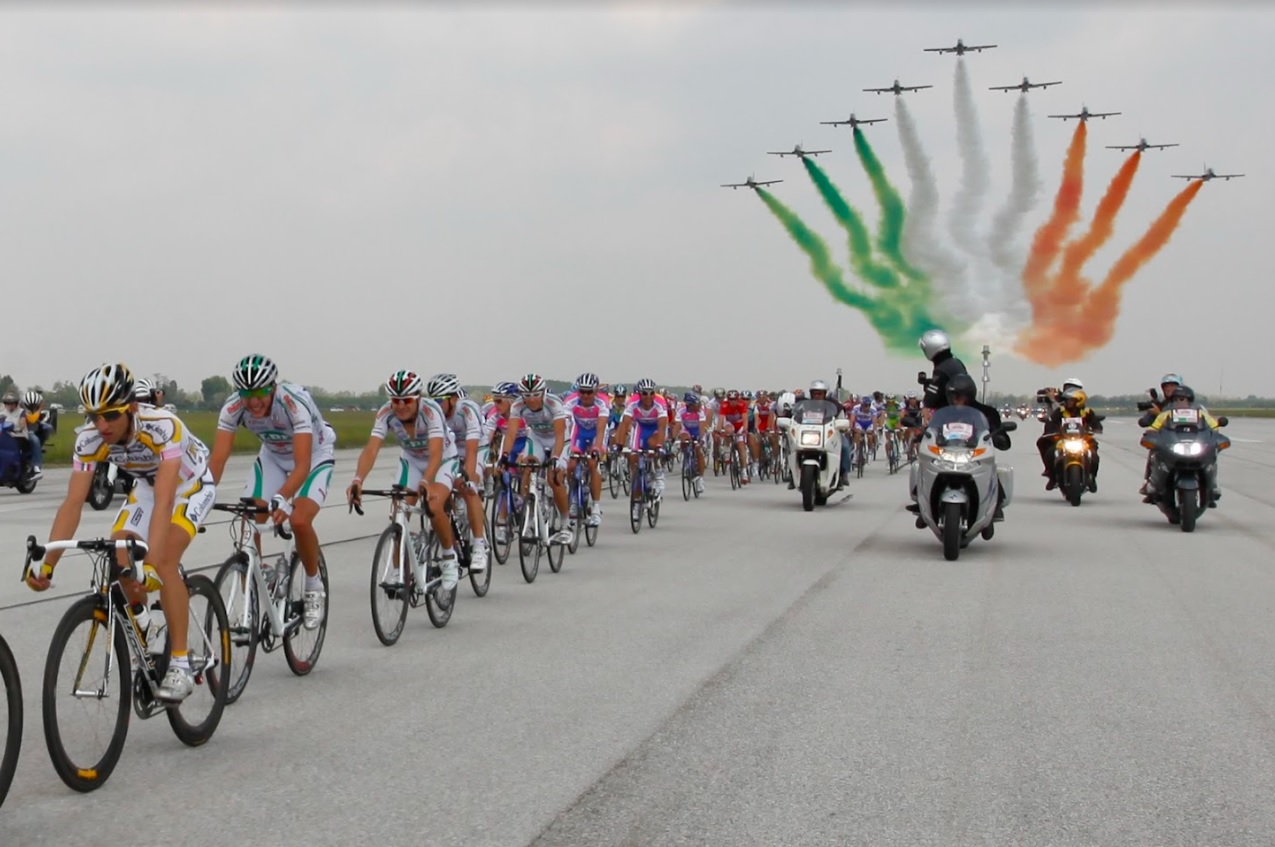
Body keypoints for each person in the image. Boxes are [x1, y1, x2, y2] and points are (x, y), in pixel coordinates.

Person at [27, 363, 217, 701]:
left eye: (110, 415)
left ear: (130, 407)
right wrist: (48, 561)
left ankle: (180, 664)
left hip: (189, 485)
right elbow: (73, 503)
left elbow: (164, 501)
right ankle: (149, 625)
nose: (101, 426)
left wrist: (153, 559)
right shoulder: (88, 439)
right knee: (120, 551)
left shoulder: (162, 427)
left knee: (164, 560)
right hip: (148, 484)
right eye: (93, 415)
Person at [209, 355, 335, 631]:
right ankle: (255, 592)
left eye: (260, 394)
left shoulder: (293, 404)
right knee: (248, 519)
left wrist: (282, 496)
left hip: (313, 457)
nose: (253, 402)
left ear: (273, 387)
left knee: (300, 520)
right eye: (246, 395)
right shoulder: (232, 408)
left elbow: (302, 466)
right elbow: (217, 459)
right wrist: (201, 494)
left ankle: (314, 586)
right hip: (274, 457)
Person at [347, 370, 459, 587]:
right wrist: (358, 479)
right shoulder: (385, 413)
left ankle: (448, 557)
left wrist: (426, 483)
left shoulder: (431, 410)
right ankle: (398, 571)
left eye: (406, 400)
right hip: (412, 460)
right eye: (395, 400)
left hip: (443, 459)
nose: (400, 406)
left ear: (417, 397)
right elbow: (372, 449)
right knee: (398, 512)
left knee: (434, 504)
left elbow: (435, 454)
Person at [426, 374, 490, 575]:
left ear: (452, 398)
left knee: (468, 488)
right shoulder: (432, 413)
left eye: (439, 400)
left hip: (475, 448)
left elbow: (471, 451)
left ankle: (479, 545)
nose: (435, 404)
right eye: (432, 399)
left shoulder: (467, 411)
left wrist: (469, 480)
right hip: (451, 451)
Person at [502, 373, 572, 544]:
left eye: (535, 395)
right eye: (527, 396)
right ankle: (530, 515)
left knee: (553, 478)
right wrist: (504, 455)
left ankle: (565, 524)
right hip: (537, 437)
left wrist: (555, 457)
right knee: (527, 467)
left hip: (558, 438)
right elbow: (511, 433)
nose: (531, 400)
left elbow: (560, 434)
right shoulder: (518, 405)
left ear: (542, 394)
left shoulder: (553, 403)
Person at [918, 329, 1009, 449]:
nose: (958, 400)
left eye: (961, 396)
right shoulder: (955, 362)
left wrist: (996, 436)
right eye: (955, 397)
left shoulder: (942, 369)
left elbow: (930, 400)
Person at [1141, 384, 1226, 505]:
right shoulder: (1166, 415)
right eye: (1175, 399)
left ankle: (1212, 486)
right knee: (1156, 454)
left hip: (1195, 445)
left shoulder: (1200, 414)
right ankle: (1153, 484)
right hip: (1174, 445)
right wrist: (1151, 434)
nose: (1179, 402)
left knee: (1212, 456)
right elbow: (1153, 428)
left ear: (1189, 400)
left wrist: (1215, 434)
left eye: (1182, 399)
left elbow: (1214, 426)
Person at [563, 372, 611, 528]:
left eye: (589, 392)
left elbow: (601, 428)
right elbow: (567, 425)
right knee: (570, 465)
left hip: (596, 433)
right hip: (579, 433)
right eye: (582, 391)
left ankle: (596, 507)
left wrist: (597, 448)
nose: (585, 395)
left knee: (592, 463)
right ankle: (574, 498)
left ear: (596, 391)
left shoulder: (602, 402)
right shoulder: (570, 401)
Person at [1036, 387, 1104, 491]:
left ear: (1079, 401)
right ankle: (1052, 477)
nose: (1067, 402)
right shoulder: (1060, 411)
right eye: (1067, 400)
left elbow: (1095, 423)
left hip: (1083, 439)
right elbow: (1052, 422)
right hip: (1063, 439)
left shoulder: (1087, 412)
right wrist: (1051, 431)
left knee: (1094, 454)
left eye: (1070, 400)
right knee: (1050, 453)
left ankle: (1092, 477)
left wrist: (1096, 428)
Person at [790, 380, 851, 488]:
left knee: (845, 446)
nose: (817, 396)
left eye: (819, 393)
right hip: (809, 434)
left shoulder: (835, 406)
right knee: (791, 445)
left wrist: (842, 426)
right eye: (814, 393)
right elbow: (795, 418)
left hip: (830, 433)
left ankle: (842, 473)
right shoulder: (804, 405)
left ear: (825, 393)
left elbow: (842, 421)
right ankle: (792, 474)